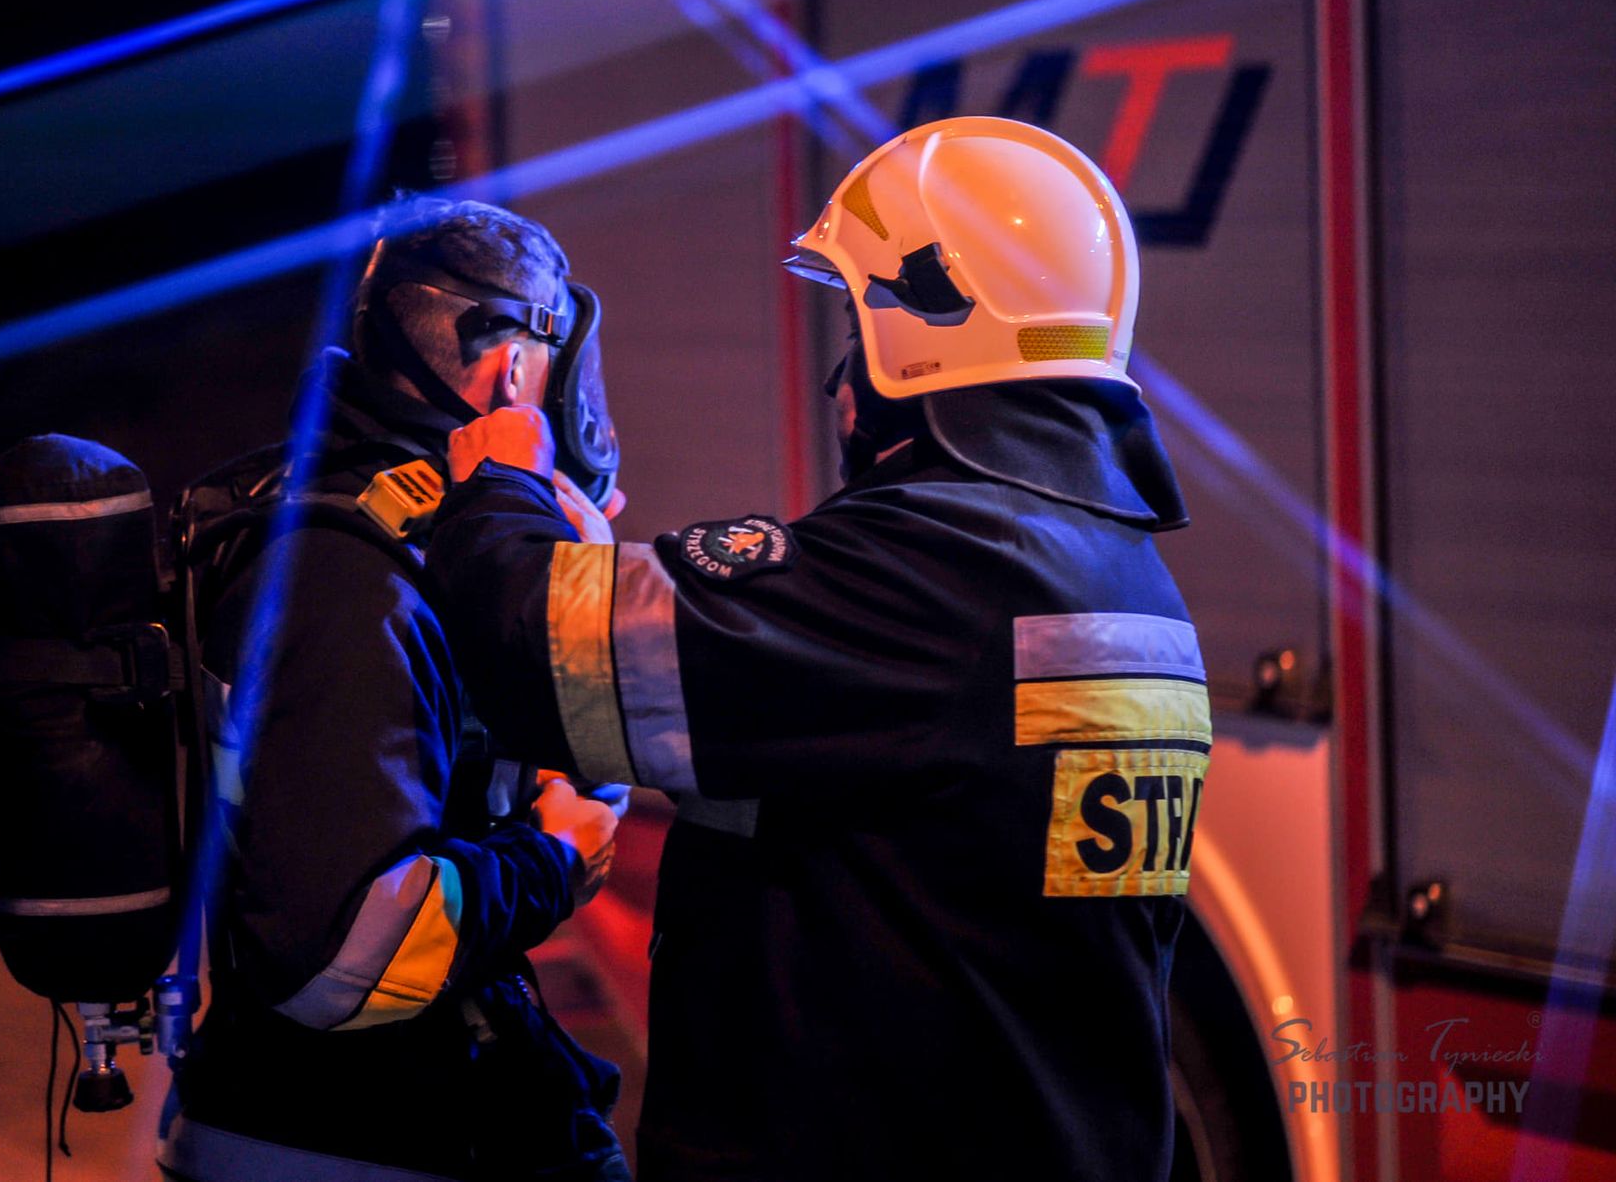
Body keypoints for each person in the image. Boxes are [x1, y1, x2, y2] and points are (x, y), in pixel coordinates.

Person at [424, 117, 1212, 1181]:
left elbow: (535, 652)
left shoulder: (938, 569)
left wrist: (503, 482)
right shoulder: (1120, 573)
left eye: (856, 322)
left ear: (929, 323)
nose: (840, 379)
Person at [158, 198, 633, 1182]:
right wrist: (552, 857)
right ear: (515, 370)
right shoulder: (353, 576)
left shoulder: (385, 534)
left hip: (329, 1129)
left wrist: (567, 592)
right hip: (365, 1140)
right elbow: (345, 958)